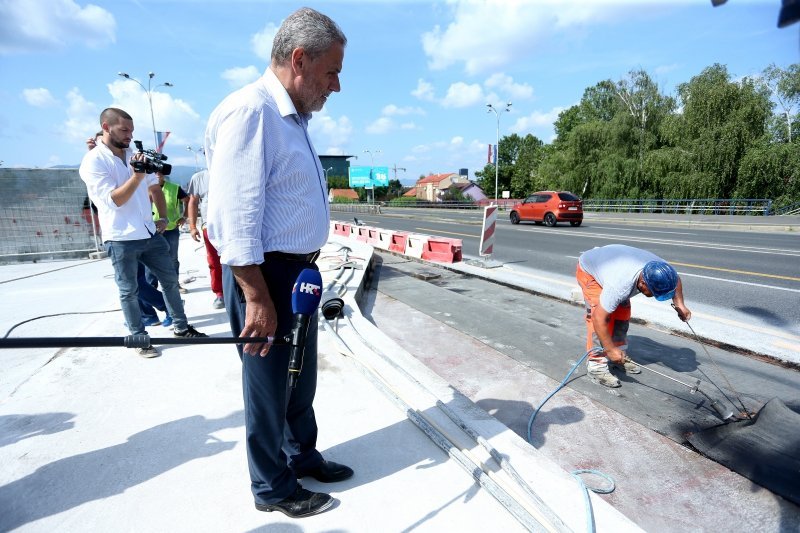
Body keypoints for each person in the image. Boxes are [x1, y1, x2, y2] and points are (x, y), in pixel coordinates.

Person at [205, 7, 350, 519]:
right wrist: (256, 296)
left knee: (300, 376)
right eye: (331, 71)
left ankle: (301, 456)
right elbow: (232, 216)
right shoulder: (253, 112)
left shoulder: (293, 117)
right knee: (267, 385)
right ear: (299, 59)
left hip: (297, 273)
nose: (336, 84)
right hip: (264, 275)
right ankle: (272, 486)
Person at [79, 107, 207, 358]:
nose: (129, 135)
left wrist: (163, 217)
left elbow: (155, 188)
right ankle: (139, 339)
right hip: (120, 237)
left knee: (170, 280)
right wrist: (137, 176)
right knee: (129, 290)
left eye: (132, 130)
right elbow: (113, 200)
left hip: (149, 233)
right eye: (124, 130)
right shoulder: (94, 161)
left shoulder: (133, 155)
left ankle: (181, 327)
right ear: (106, 127)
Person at [576, 244, 692, 388]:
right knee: (597, 314)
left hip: (615, 264)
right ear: (643, 283)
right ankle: (596, 365)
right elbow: (599, 319)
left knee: (622, 313)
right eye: (654, 292)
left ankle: (619, 356)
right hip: (590, 271)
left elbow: (676, 280)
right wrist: (609, 349)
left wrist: (679, 304)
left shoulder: (663, 270)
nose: (655, 296)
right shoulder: (619, 286)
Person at [144, 171, 190, 295]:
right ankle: (151, 287)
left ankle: (175, 286)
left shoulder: (174, 188)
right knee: (149, 259)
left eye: (160, 172)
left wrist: (184, 217)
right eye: (155, 172)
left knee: (173, 259)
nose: (158, 174)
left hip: (171, 228)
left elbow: (188, 200)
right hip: (152, 229)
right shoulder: (144, 187)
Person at [186, 168, 224, 309]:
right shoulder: (199, 177)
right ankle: (220, 293)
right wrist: (192, 227)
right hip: (209, 226)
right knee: (214, 261)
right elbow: (193, 202)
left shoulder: (231, 169)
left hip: (230, 225)